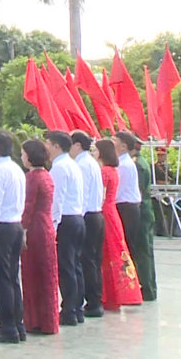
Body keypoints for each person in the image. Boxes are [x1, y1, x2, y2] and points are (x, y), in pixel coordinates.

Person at [0, 131, 26, 344]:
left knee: (0, 279)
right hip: (16, 224)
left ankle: (8, 326)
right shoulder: (16, 168)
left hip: (1, 226)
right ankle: (17, 324)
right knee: (11, 277)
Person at [93, 139, 143, 310]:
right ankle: (120, 293)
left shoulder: (105, 172)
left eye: (95, 150)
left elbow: (100, 196)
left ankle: (111, 293)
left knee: (108, 253)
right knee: (117, 252)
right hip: (112, 211)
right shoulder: (113, 170)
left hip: (106, 212)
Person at [44, 130, 85, 326]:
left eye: (48, 144)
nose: (46, 148)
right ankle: (76, 307)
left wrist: (52, 224)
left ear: (56, 147)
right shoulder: (73, 165)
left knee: (67, 266)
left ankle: (69, 309)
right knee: (75, 265)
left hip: (66, 219)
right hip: (77, 216)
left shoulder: (59, 168)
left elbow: (56, 199)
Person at [19, 139, 58, 335]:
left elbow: (28, 207)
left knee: (33, 274)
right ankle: (48, 319)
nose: (21, 157)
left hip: (34, 228)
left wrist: (22, 230)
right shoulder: (47, 176)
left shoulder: (32, 178)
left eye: (23, 153)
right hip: (47, 225)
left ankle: (35, 320)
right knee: (47, 273)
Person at [70, 131, 105, 319]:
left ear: (77, 145)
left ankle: (92, 301)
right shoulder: (90, 162)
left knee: (87, 261)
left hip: (87, 215)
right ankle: (94, 300)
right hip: (96, 214)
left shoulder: (82, 164)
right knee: (93, 260)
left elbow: (81, 195)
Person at [111, 132, 145, 297]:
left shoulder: (123, 165)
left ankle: (130, 287)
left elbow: (115, 191)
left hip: (126, 208)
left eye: (114, 141)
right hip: (127, 207)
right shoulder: (122, 163)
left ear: (123, 146)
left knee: (126, 248)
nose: (112, 143)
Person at [129, 136, 158, 301]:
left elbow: (137, 191)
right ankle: (149, 287)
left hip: (141, 212)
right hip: (145, 211)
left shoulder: (137, 165)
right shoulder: (140, 162)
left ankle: (147, 288)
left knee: (142, 251)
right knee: (145, 250)